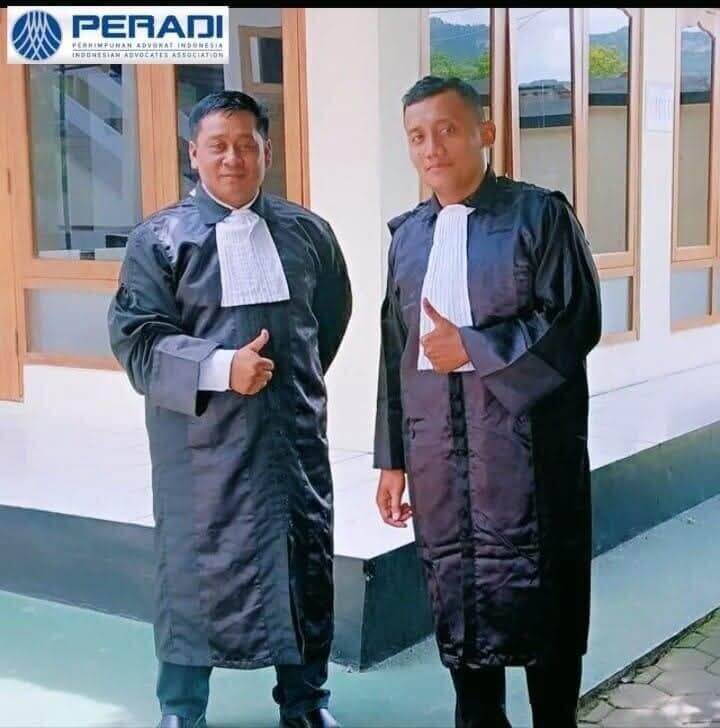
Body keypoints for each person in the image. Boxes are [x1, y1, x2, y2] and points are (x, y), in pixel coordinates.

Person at [108, 90, 351, 728]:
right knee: (192, 583)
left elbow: (328, 320)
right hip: (201, 452)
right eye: (218, 145)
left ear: (267, 151)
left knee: (302, 570)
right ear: (193, 154)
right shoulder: (159, 240)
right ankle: (181, 710)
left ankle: (306, 703)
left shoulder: (307, 233)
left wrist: (287, 384)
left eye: (247, 144)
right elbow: (137, 340)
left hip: (291, 441)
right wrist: (220, 367)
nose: (233, 158)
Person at [373, 75, 602, 728]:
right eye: (417, 136)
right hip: (438, 460)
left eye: (447, 129)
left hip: (527, 459)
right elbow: (395, 353)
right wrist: (392, 460)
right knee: (460, 606)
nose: (432, 148)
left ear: (486, 133)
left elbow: (575, 318)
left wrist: (473, 347)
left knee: (545, 610)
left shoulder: (540, 216)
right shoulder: (408, 238)